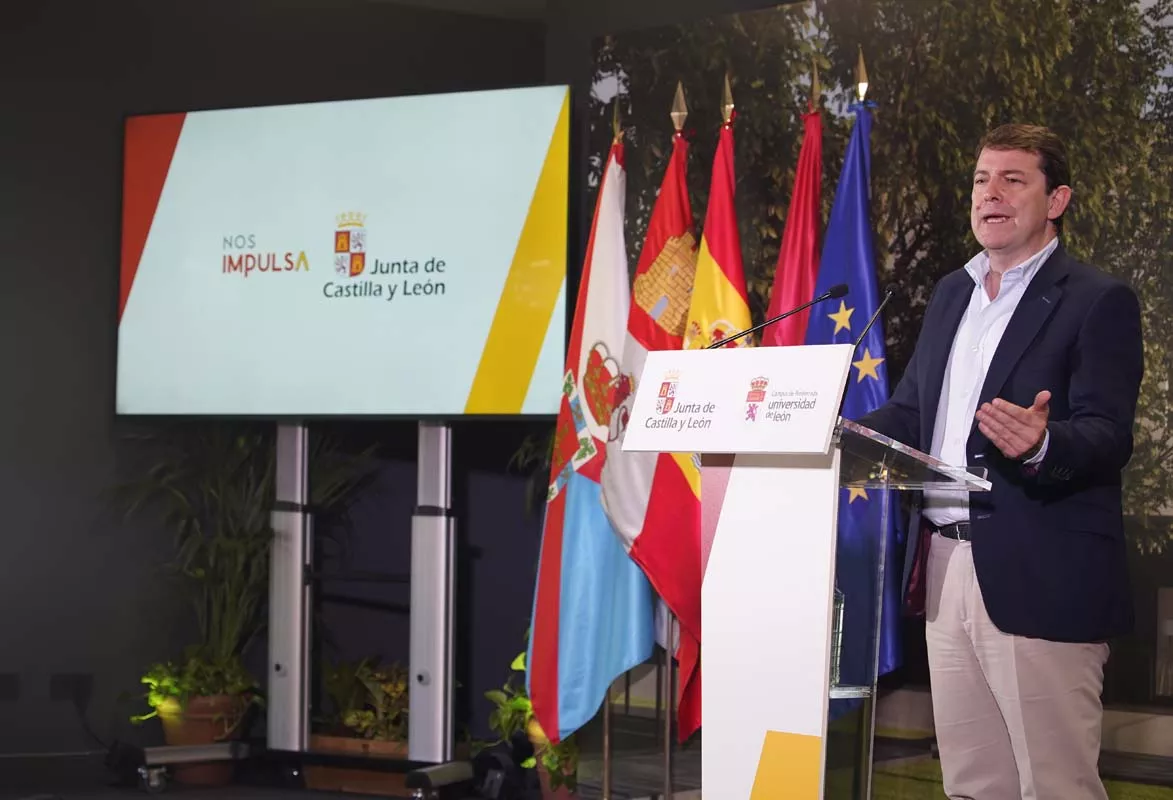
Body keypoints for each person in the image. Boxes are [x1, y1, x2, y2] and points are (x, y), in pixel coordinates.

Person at [860, 123, 1144, 799]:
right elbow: (909, 417)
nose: (991, 193)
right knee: (970, 781)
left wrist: (1043, 443)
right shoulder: (948, 295)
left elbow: (1109, 434)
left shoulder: (1095, 300)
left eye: (1013, 179)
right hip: (943, 567)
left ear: (1056, 200)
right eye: (981, 180)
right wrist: (825, 433)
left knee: (1054, 785)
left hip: (1041, 569)